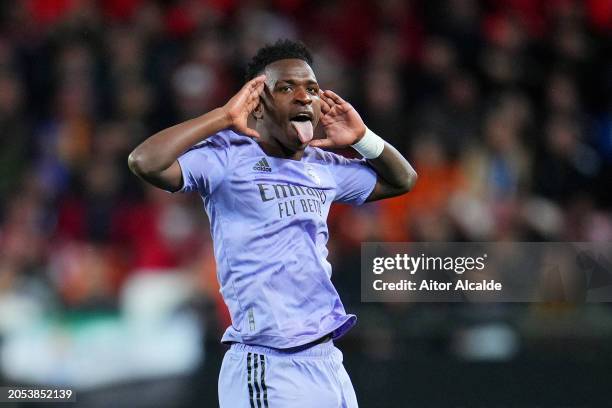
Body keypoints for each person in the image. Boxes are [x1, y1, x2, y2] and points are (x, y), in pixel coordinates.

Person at [128, 39, 417, 408]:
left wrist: (362, 139)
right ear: (259, 104)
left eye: (312, 89)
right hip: (266, 363)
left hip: (327, 361)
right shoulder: (227, 158)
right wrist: (222, 116)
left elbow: (403, 179)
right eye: (286, 87)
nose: (303, 97)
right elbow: (145, 161)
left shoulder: (322, 166)